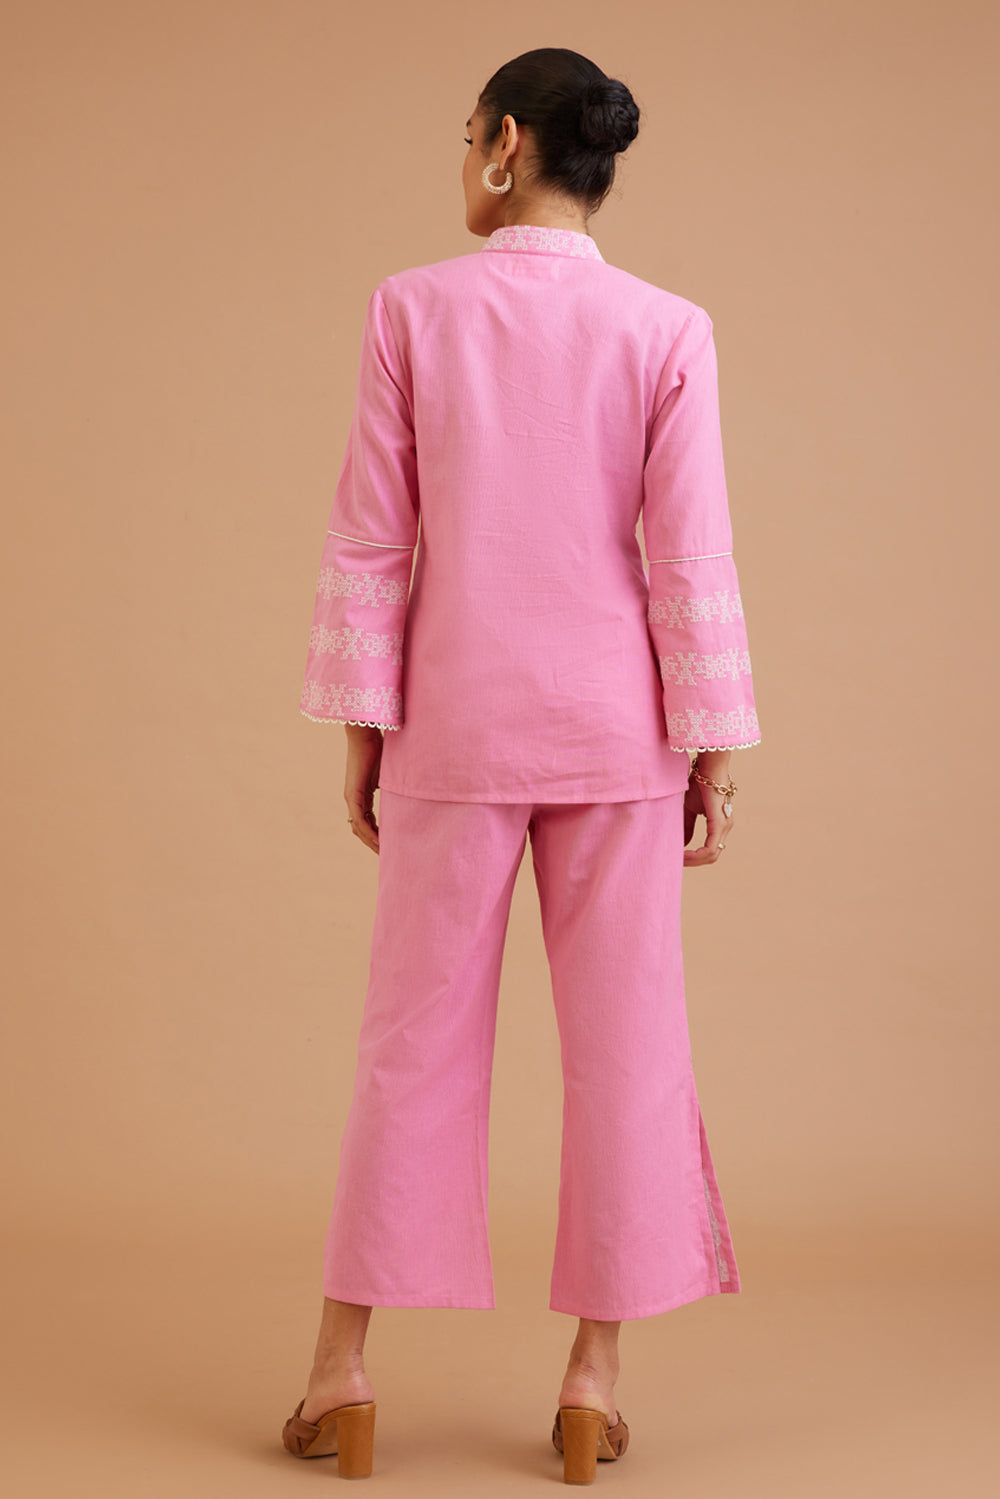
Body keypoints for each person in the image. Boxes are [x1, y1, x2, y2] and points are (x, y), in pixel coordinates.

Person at [282, 47, 762, 1484]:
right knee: (630, 1050)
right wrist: (709, 746)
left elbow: (374, 535)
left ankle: (342, 1373)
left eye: (466, 139)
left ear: (503, 143)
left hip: (454, 726)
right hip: (621, 735)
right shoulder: (668, 327)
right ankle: (592, 1384)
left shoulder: (411, 308)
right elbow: (690, 551)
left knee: (409, 1046)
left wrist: (365, 727)